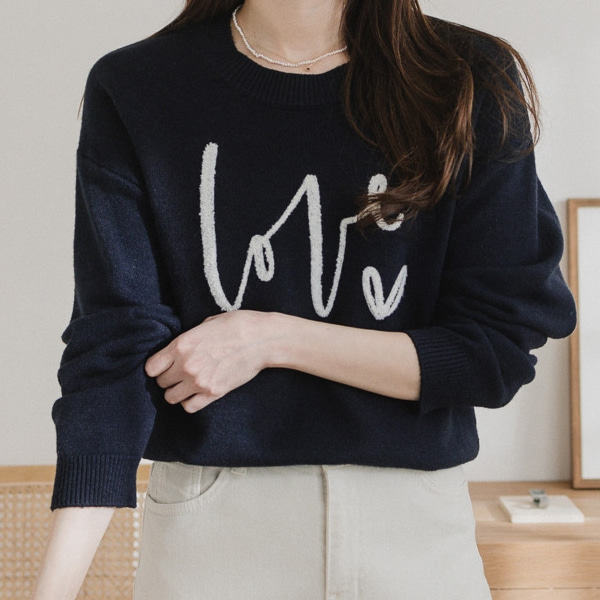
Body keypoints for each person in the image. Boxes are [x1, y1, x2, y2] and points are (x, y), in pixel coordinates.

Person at [33, 0, 576, 598]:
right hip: (212, 534)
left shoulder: (468, 78)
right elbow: (113, 356)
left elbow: (493, 351)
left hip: (414, 533)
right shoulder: (139, 86)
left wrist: (272, 338)